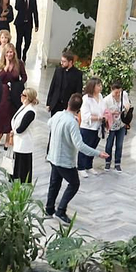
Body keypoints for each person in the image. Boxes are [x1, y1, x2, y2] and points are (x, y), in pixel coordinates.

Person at [45, 93, 107, 223]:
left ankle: (49, 209)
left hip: (53, 156)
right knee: (74, 184)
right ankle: (60, 211)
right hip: (65, 160)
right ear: (79, 109)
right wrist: (98, 153)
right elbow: (80, 145)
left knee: (54, 183)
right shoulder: (72, 122)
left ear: (68, 103)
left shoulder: (57, 115)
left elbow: (49, 124)